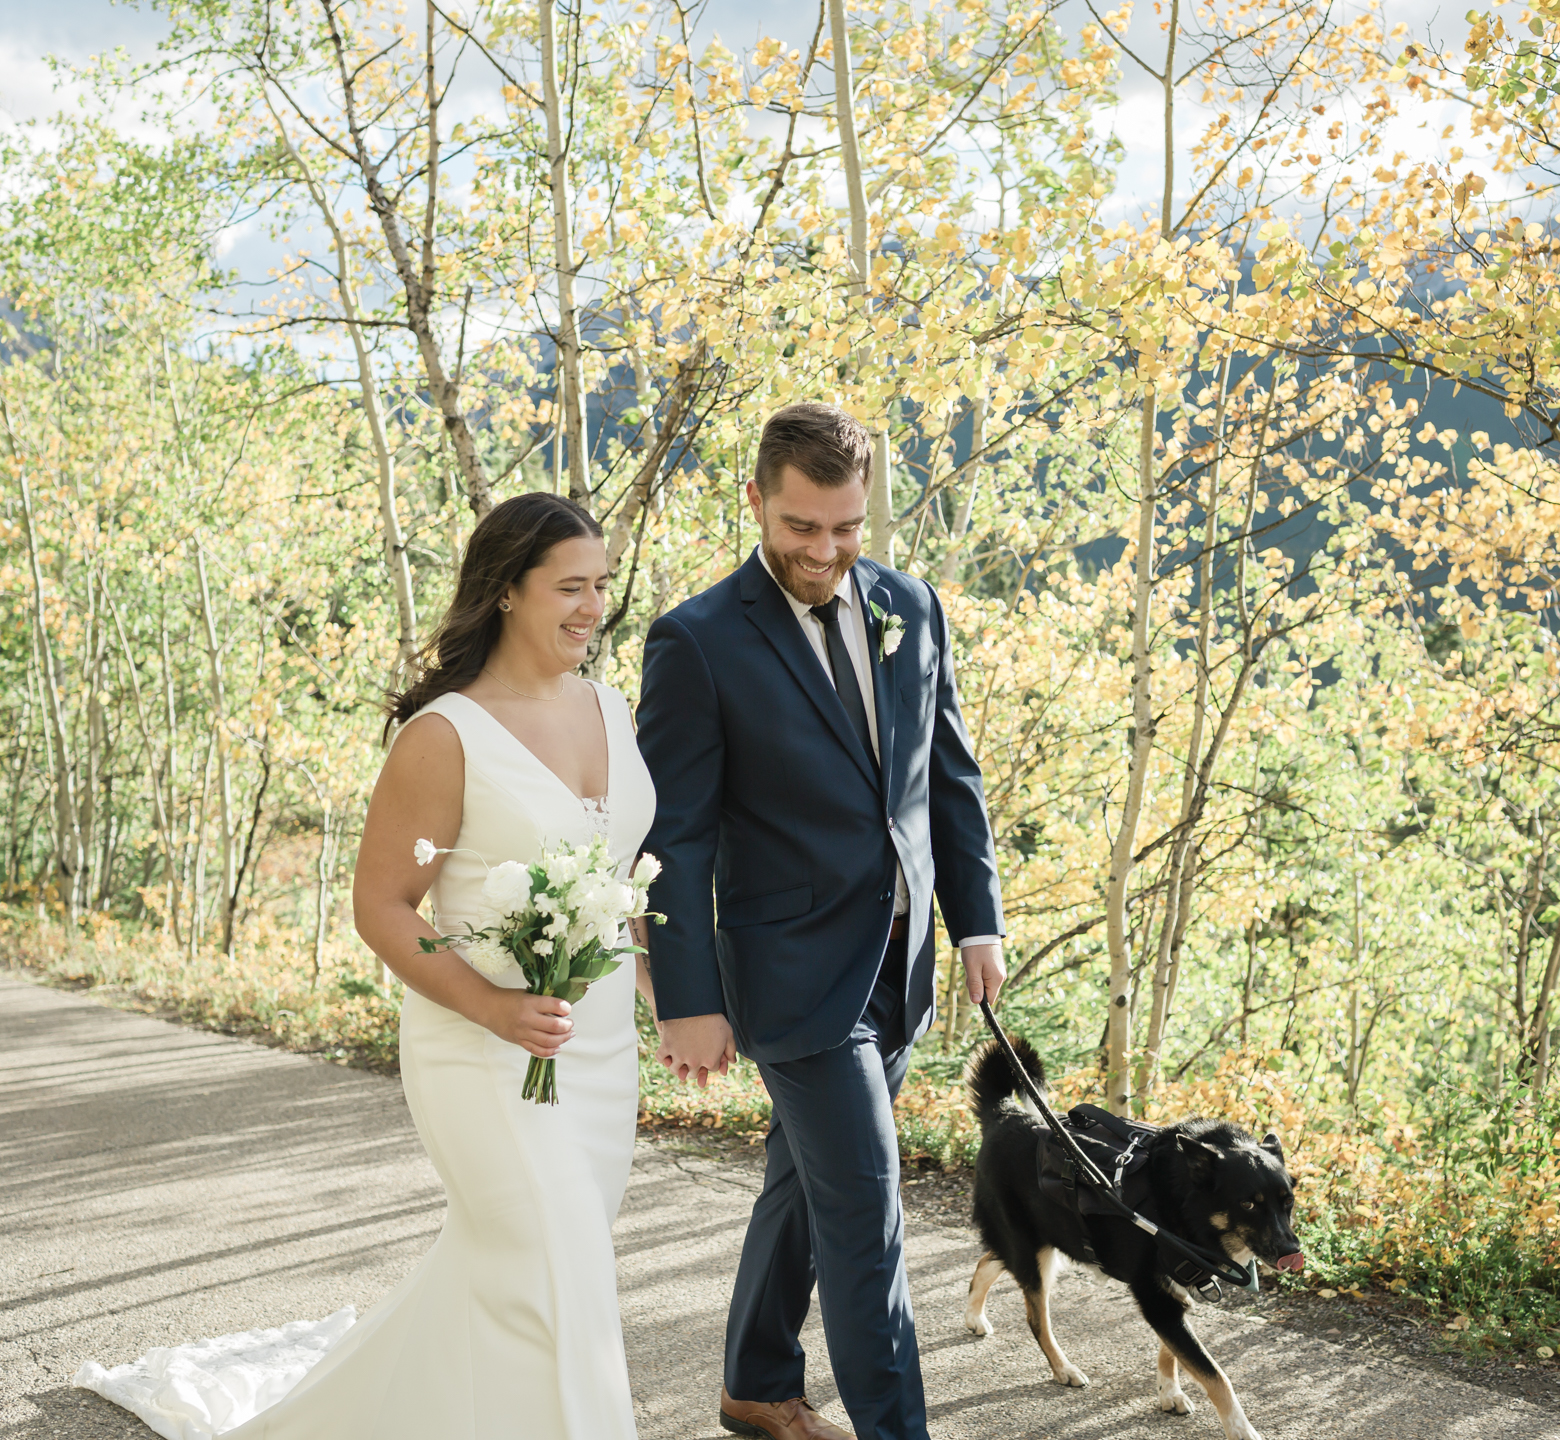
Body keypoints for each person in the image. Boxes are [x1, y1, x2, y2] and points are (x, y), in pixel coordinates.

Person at [75, 492, 653, 1439]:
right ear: (507, 592)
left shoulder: (612, 709)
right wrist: (495, 1010)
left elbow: (620, 878)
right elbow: (383, 904)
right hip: (483, 1051)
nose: (593, 609)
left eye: (601, 587)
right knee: (560, 1273)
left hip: (594, 1050)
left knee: (519, 1273)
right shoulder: (448, 735)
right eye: (570, 588)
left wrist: (667, 996)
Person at [637, 402, 1007, 1440]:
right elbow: (675, 840)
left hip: (899, 964)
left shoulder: (912, 606)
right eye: (802, 528)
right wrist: (689, 1000)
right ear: (756, 501)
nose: (827, 552)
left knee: (802, 1183)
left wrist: (976, 921)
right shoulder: (698, 641)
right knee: (865, 1221)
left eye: (847, 528)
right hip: (789, 975)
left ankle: (756, 1383)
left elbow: (947, 777)